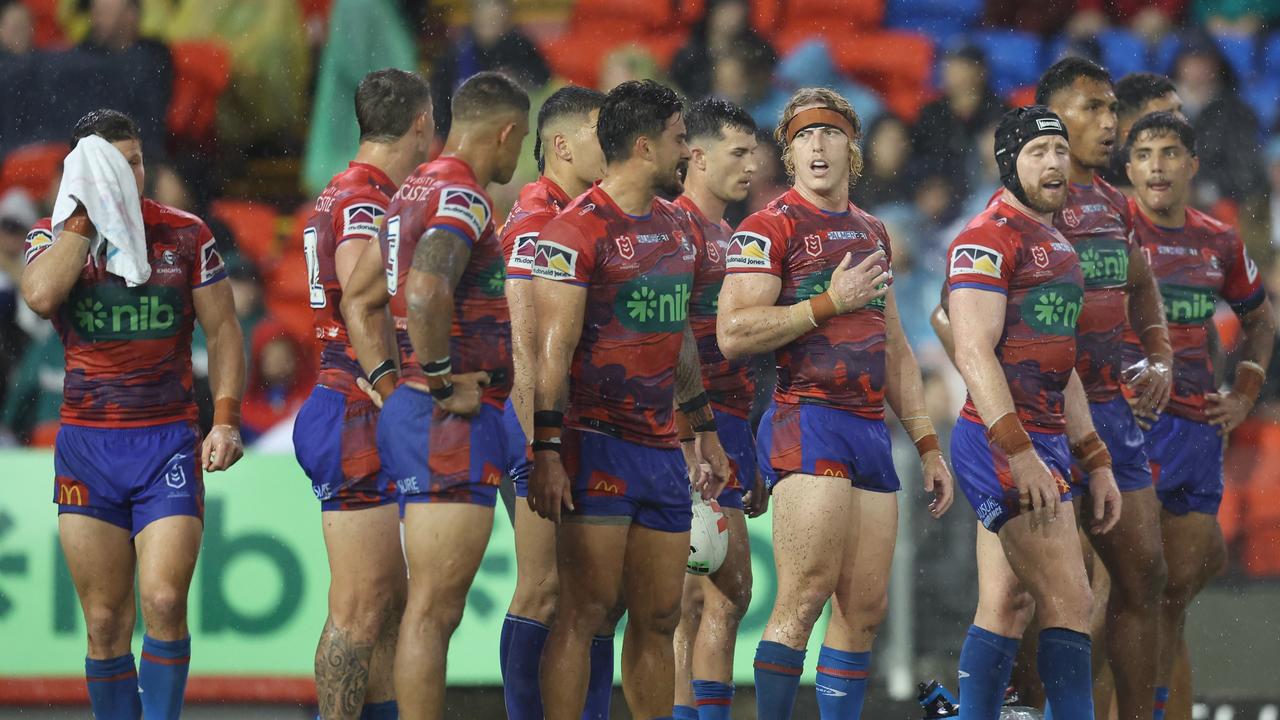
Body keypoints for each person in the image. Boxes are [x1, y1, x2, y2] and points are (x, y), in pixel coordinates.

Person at [716, 87, 954, 720]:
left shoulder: (873, 229)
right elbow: (732, 331)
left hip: (871, 427)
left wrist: (928, 443)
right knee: (804, 595)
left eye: (828, 134)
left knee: (864, 609)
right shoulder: (768, 225)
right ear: (788, 155)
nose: (816, 147)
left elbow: (896, 346)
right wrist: (826, 303)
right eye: (801, 137)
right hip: (807, 416)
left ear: (853, 147)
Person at [19, 108, 245, 720]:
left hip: (165, 439)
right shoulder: (53, 235)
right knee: (103, 620)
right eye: (115, 163)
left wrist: (224, 418)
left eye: (137, 160)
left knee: (167, 600)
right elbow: (40, 297)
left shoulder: (185, 234)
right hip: (88, 446)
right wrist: (87, 218)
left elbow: (224, 331)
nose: (131, 172)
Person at [527, 79, 731, 719]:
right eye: (678, 139)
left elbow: (681, 342)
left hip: (660, 449)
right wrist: (547, 452)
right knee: (585, 613)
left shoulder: (678, 227)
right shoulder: (572, 232)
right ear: (644, 145)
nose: (687, 154)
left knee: (661, 613)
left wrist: (703, 430)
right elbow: (550, 356)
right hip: (596, 444)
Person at [340, 70, 528, 719]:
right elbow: (423, 291)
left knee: (424, 608)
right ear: (505, 133)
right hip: (448, 421)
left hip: (415, 415)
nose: (517, 158)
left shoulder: (407, 190)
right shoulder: (463, 195)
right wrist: (442, 382)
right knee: (433, 612)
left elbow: (360, 298)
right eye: (519, 142)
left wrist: (395, 390)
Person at [938, 105, 1122, 720]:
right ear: (1008, 164)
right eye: (1037, 152)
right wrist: (1020, 453)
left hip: (1042, 440)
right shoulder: (985, 239)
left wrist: (1094, 456)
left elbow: (1059, 362)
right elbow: (970, 349)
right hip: (1001, 440)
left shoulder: (1058, 243)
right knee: (1071, 601)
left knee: (1009, 604)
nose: (1053, 164)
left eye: (1060, 151)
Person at [291, 68, 433, 720]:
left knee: (388, 606)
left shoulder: (348, 192)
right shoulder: (367, 200)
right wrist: (391, 391)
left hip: (346, 400)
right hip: (356, 403)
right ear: (422, 124)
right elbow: (360, 296)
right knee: (360, 607)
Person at [1123, 111, 1275, 720]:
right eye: (1145, 154)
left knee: (1171, 600)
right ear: (1128, 168)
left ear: (1191, 165)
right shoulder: (1109, 234)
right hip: (1129, 432)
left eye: (1169, 153)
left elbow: (1261, 319)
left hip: (1196, 432)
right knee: (1118, 598)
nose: (1157, 165)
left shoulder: (1220, 241)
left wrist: (1244, 391)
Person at [1034, 57, 1173, 720]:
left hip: (1112, 412)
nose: (1110, 121)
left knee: (1145, 577)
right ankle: (1033, 708)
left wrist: (1160, 355)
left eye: (1113, 108)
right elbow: (954, 316)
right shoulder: (1026, 204)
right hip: (1047, 418)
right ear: (1052, 118)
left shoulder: (1114, 203)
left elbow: (1141, 282)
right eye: (1091, 107)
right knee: (1049, 597)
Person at [495, 84, 615, 720]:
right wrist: (535, 448)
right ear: (562, 145)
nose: (615, 144)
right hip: (537, 425)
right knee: (543, 589)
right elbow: (523, 345)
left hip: (573, 424)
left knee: (590, 594)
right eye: (603, 132)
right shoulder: (539, 218)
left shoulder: (584, 215)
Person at [670, 97, 765, 720]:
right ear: (697, 157)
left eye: (754, 153)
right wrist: (688, 439)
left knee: (726, 594)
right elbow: (662, 343)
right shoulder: (671, 228)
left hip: (731, 424)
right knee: (694, 598)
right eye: (738, 152)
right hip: (689, 430)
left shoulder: (734, 238)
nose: (752, 165)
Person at [428, 0, 549, 139]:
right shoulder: (456, 55)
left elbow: (542, 84)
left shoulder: (522, 50)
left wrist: (519, 81)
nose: (488, 26)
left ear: (506, 19)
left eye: (494, 20)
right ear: (473, 16)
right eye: (483, 19)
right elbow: (440, 105)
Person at [1104, 72, 1184, 189]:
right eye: (1167, 115)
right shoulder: (1101, 193)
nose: (1182, 120)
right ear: (1129, 131)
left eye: (1180, 110)